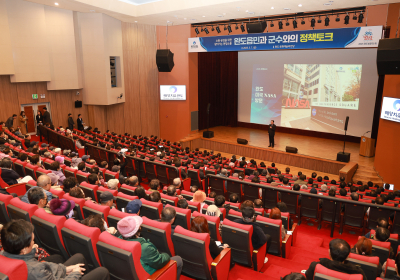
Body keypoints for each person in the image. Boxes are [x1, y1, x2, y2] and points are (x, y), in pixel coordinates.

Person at [1, 219, 110, 280]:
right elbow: (40, 272)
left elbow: (48, 269)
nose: (34, 242)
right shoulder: (34, 270)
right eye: (32, 241)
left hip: (49, 275)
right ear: (23, 250)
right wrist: (75, 273)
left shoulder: (4, 253)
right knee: (102, 271)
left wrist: (66, 269)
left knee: (79, 257)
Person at [117, 216, 182, 279]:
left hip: (135, 271)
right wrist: (166, 255)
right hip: (151, 274)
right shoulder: (144, 248)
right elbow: (160, 262)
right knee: (178, 259)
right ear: (138, 229)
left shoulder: (118, 240)